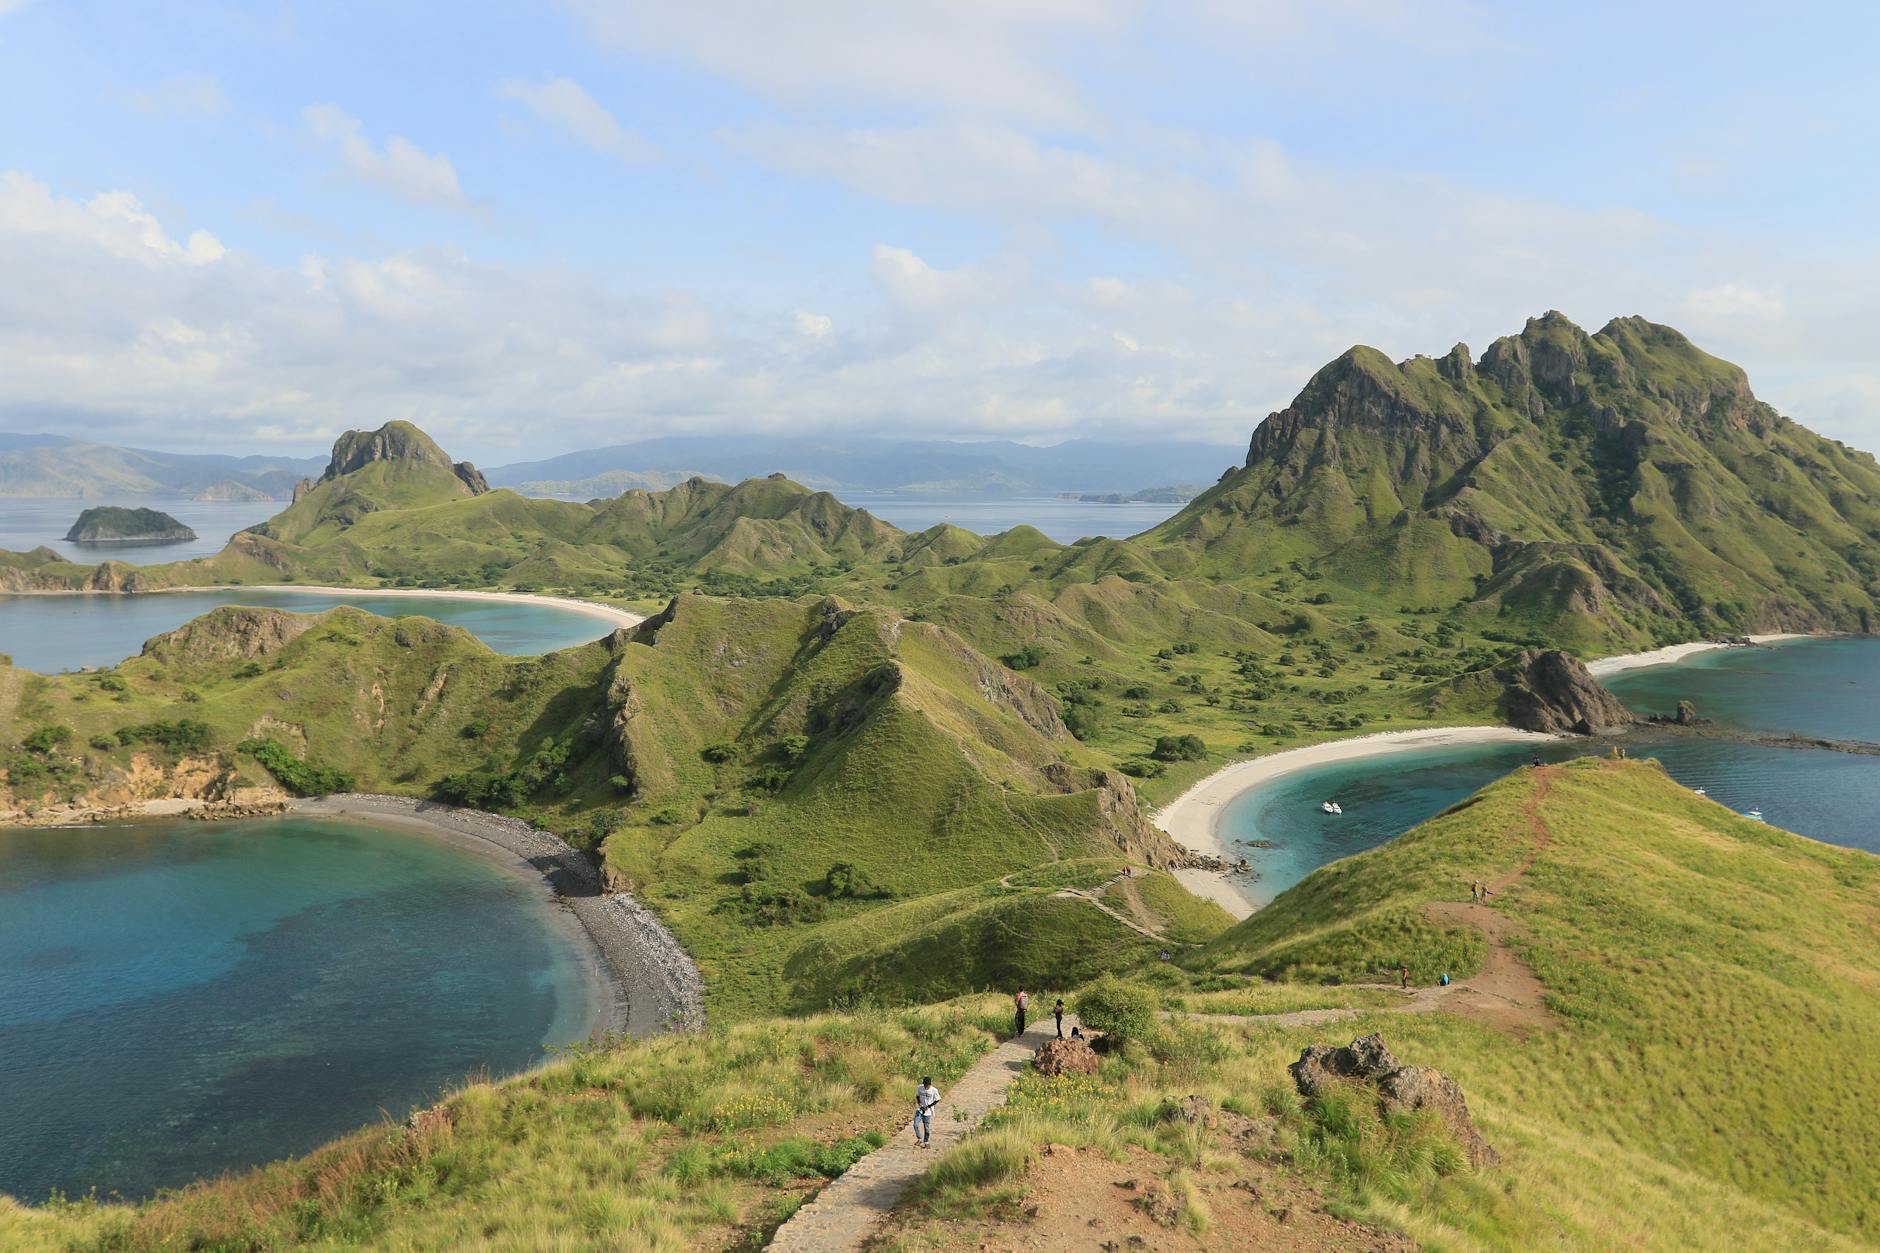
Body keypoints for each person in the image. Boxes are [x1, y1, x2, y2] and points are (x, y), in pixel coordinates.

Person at [914, 1076, 940, 1148]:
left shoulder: (934, 1090)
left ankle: (926, 1141)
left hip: (928, 1112)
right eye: (925, 1085)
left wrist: (928, 1106)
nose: (926, 1087)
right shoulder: (919, 1087)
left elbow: (937, 1099)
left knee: (927, 1128)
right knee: (915, 1125)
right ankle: (919, 1139)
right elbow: (917, 1096)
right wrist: (920, 1104)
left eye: (927, 1086)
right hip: (920, 1110)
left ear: (930, 1084)